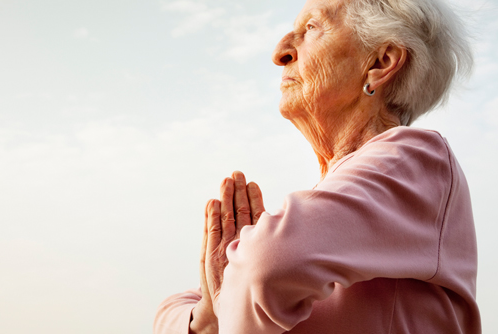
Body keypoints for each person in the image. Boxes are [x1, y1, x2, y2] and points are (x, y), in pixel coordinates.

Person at [153, 0, 479, 333]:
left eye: (311, 28)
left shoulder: (416, 161)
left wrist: (226, 302)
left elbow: (263, 265)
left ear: (381, 62)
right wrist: (208, 314)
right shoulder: (331, 216)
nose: (280, 52)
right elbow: (171, 312)